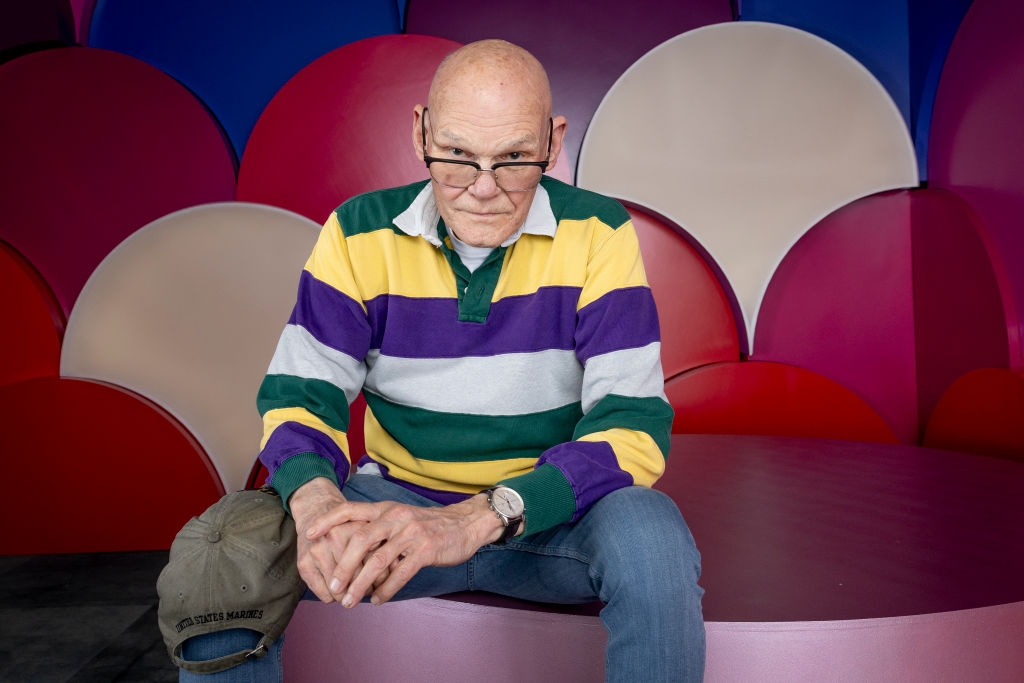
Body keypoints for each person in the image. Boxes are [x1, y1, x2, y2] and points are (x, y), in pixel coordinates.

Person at [179, 38, 704, 681]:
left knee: (652, 535)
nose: (483, 189)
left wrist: (480, 517)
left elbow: (631, 427)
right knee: (229, 554)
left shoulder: (600, 233)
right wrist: (315, 503)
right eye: (457, 155)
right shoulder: (356, 233)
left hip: (545, 522)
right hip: (389, 513)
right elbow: (301, 393)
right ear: (420, 131)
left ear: (553, 141)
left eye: (513, 158)